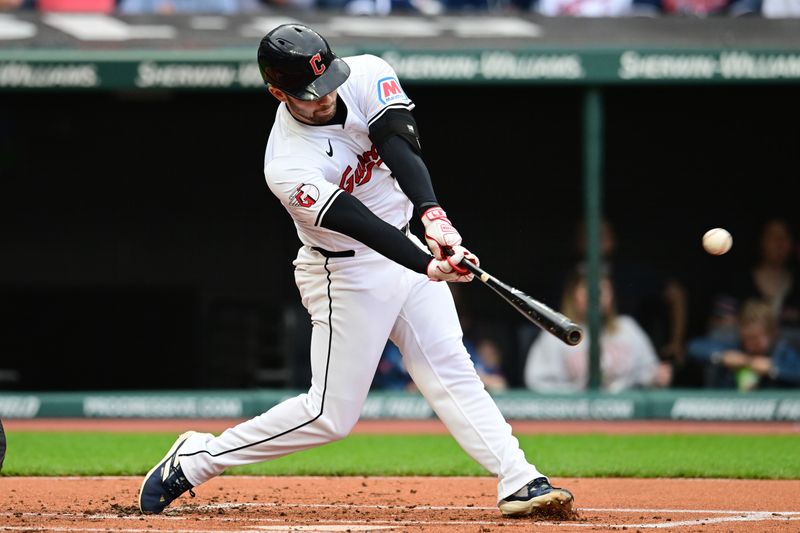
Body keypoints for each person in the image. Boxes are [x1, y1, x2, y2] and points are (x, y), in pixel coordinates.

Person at [138, 23, 573, 519]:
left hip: (405, 244)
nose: (324, 99)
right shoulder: (286, 162)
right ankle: (198, 458)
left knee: (452, 367)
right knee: (329, 416)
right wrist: (428, 263)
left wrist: (433, 216)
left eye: (328, 84)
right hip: (344, 273)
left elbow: (398, 147)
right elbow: (357, 222)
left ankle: (518, 477)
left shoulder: (369, 73)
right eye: (308, 94)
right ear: (277, 93)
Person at [525, 269, 672, 392]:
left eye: (602, 287)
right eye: (587, 287)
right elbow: (537, 381)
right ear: (573, 294)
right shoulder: (556, 332)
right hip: (575, 417)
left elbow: (647, 372)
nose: (596, 294)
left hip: (625, 414)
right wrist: (577, 397)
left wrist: (656, 376)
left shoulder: (628, 328)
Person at [709, 217, 800, 340]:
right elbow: (718, 329)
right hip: (742, 355)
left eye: (785, 237)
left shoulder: (796, 286)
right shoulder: (737, 282)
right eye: (772, 237)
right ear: (760, 241)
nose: (779, 243)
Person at [687, 298, 800, 390]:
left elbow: (796, 373)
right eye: (747, 338)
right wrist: (722, 356)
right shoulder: (733, 345)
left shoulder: (782, 352)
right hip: (729, 407)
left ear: (772, 334)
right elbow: (693, 347)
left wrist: (773, 369)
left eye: (756, 338)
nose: (750, 344)